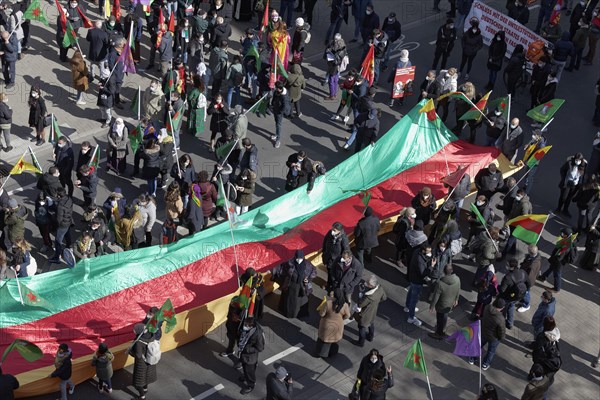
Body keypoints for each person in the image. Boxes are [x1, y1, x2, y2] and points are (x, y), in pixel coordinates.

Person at [273, 250, 317, 318]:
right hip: (291, 286)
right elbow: (281, 268)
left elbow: (313, 271)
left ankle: (300, 314)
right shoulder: (290, 263)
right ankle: (290, 313)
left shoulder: (307, 264)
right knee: (290, 300)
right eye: (297, 259)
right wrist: (273, 271)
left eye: (301, 259)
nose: (299, 261)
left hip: (302, 286)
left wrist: (308, 280)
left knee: (301, 300)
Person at [468, 298, 506, 370]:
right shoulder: (501, 318)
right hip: (494, 337)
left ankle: (472, 358)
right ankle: (485, 364)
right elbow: (501, 331)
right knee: (491, 351)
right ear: (502, 308)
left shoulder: (487, 307)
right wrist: (501, 338)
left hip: (483, 331)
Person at [538, 228, 577, 292]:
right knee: (551, 268)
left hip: (559, 263)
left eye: (563, 234)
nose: (561, 234)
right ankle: (543, 277)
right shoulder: (570, 240)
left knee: (557, 274)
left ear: (566, 235)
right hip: (559, 262)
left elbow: (560, 256)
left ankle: (556, 288)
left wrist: (554, 258)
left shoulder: (566, 245)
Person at [406, 244, 435, 327]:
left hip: (413, 277)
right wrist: (431, 266)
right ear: (423, 251)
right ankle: (411, 317)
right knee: (414, 299)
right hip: (417, 280)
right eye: (428, 252)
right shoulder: (419, 260)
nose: (430, 253)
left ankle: (407, 306)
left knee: (411, 291)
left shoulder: (417, 252)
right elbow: (423, 273)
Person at [428, 264, 460, 339]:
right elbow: (458, 289)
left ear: (444, 272)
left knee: (440, 319)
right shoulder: (457, 279)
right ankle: (443, 328)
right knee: (445, 316)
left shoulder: (440, 283)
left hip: (441, 305)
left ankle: (439, 333)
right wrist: (456, 299)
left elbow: (436, 296)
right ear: (452, 271)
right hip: (450, 304)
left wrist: (431, 307)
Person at [354, 274, 387, 347]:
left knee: (362, 327)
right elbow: (384, 298)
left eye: (367, 283)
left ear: (371, 286)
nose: (365, 283)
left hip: (365, 314)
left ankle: (361, 342)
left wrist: (360, 293)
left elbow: (360, 304)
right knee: (371, 324)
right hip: (373, 312)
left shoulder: (369, 297)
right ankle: (370, 337)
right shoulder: (380, 289)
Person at [316, 288, 350, 358]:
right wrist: (341, 318)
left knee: (324, 341)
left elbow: (322, 314)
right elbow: (348, 315)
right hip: (338, 325)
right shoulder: (345, 305)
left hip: (327, 325)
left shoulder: (328, 303)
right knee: (334, 340)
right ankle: (332, 353)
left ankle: (322, 354)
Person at [499, 259, 530, 329]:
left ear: (511, 267)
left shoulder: (508, 277)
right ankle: (509, 324)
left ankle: (502, 321)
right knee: (511, 306)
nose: (506, 266)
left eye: (507, 265)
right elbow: (529, 284)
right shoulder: (523, 272)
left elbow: (502, 290)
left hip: (508, 296)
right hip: (519, 295)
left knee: (504, 308)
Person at [129, 323, 158, 400]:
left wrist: (130, 352)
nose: (134, 331)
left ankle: (142, 396)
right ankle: (145, 388)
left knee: (138, 382)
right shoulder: (152, 335)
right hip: (150, 360)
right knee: (146, 377)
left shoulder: (139, 342)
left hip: (141, 364)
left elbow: (138, 355)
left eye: (135, 330)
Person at [238, 317, 265, 395]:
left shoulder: (257, 334)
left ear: (252, 326)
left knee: (249, 371)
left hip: (250, 358)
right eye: (245, 324)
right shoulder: (249, 329)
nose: (245, 326)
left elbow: (260, 348)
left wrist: (248, 350)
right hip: (244, 354)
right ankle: (245, 377)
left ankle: (251, 385)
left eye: (247, 325)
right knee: (245, 368)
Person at [49, 188, 73, 264]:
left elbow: (59, 219)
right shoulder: (69, 199)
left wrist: (56, 225)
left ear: (59, 196)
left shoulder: (60, 206)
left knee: (58, 241)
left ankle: (57, 257)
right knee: (67, 234)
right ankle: (69, 246)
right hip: (68, 221)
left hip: (62, 225)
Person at [322, 222, 351, 286]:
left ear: (339, 231)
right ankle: (329, 283)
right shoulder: (330, 233)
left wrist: (341, 259)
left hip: (336, 260)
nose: (332, 231)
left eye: (334, 230)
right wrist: (324, 251)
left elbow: (346, 251)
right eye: (332, 229)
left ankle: (333, 288)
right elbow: (325, 241)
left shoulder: (343, 239)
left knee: (335, 275)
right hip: (328, 257)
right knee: (329, 272)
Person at [518, 245, 543, 313]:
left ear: (530, 252)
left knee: (526, 293)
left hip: (527, 282)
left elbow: (529, 276)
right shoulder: (535, 257)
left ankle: (526, 305)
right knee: (524, 292)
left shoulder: (532, 265)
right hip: (527, 279)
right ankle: (523, 301)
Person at [270, 81, 292, 149]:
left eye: (277, 88)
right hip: (275, 109)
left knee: (278, 125)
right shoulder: (277, 91)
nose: (276, 89)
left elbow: (285, 106)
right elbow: (274, 97)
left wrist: (280, 112)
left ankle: (278, 140)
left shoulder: (284, 96)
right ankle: (276, 134)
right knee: (276, 123)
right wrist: (272, 104)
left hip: (279, 111)